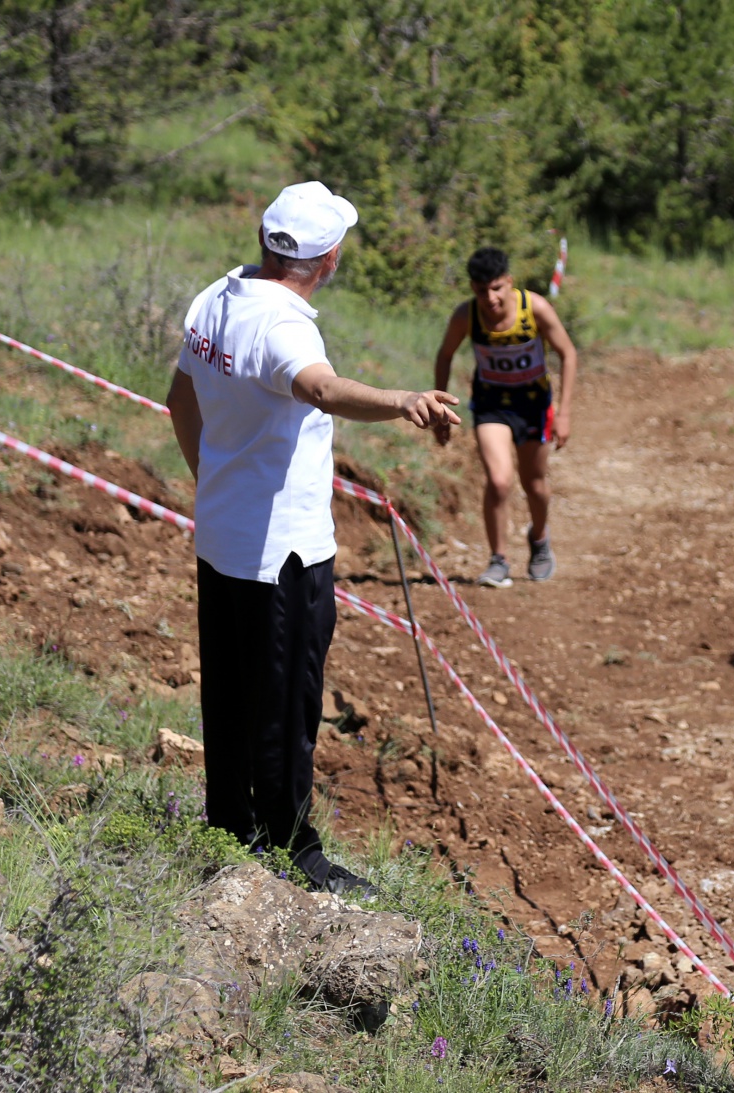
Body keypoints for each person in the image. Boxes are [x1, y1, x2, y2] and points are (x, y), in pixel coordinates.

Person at [167, 181, 459, 894]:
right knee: (287, 702)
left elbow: (179, 399)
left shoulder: (218, 297)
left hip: (223, 537)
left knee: (230, 696)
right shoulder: (285, 327)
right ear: (328, 258)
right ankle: (295, 853)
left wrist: (213, 479)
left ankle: (230, 827)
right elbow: (322, 390)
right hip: (284, 552)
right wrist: (405, 401)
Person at [433, 246, 578, 588]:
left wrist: (565, 412)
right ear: (473, 288)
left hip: (534, 406)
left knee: (534, 484)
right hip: (491, 407)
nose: (491, 298)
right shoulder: (466, 315)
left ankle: (539, 539)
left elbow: (567, 353)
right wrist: (441, 409)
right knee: (499, 481)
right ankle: (498, 559)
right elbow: (445, 355)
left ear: (509, 283)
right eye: (482, 291)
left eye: (496, 288)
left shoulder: (535, 308)